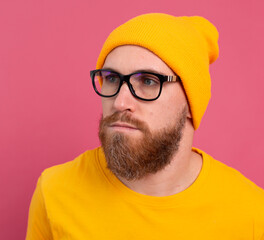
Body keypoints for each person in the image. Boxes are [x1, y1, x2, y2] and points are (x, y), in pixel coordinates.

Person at [26, 13, 264, 240]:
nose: (120, 103)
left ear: (191, 103)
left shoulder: (251, 213)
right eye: (111, 78)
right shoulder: (55, 191)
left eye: (149, 81)